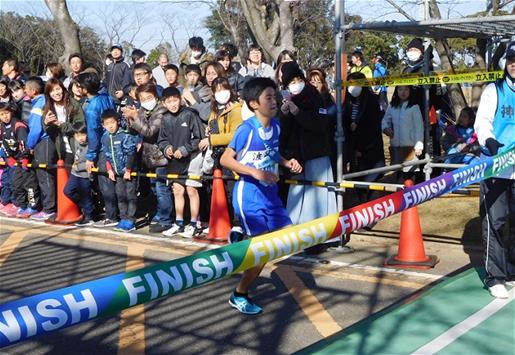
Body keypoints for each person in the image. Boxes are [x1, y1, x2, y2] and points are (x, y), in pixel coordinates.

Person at [220, 77, 302, 314]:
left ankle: (240, 240)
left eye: (274, 96)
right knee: (263, 250)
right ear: (254, 103)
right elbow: (226, 159)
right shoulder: (246, 129)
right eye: (268, 97)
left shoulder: (276, 125)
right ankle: (239, 294)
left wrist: (287, 162)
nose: (274, 100)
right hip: (249, 195)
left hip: (271, 194)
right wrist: (255, 172)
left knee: (286, 238)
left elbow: (272, 153)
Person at [474, 41, 515, 299]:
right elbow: (482, 122)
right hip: (497, 166)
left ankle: (511, 267)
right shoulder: (495, 90)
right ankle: (495, 276)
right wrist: (488, 140)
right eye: (512, 60)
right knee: (495, 221)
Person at [278, 62, 337, 239]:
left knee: (318, 194)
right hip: (297, 156)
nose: (296, 83)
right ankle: (297, 231)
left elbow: (319, 124)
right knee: (297, 194)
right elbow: (284, 132)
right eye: (291, 81)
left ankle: (320, 233)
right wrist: (284, 114)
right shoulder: (289, 99)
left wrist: (298, 114)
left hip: (316, 152)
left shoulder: (314, 96)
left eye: (298, 79)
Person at [124, 83, 172, 233]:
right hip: (150, 158)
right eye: (143, 99)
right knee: (155, 189)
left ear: (156, 96)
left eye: (149, 97)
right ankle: (160, 214)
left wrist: (136, 117)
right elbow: (133, 130)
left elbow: (150, 131)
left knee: (162, 188)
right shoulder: (143, 111)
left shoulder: (161, 111)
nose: (146, 101)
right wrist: (130, 117)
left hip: (162, 157)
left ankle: (166, 220)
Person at [158, 87, 203, 237]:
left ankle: (194, 223)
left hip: (191, 159)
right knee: (177, 190)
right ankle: (178, 223)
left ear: (180, 99)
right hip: (174, 162)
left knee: (191, 190)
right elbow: (162, 140)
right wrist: (167, 148)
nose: (173, 104)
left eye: (175, 100)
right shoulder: (165, 118)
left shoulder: (189, 114)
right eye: (169, 102)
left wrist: (184, 149)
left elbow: (198, 138)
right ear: (164, 103)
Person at [77, 72, 118, 227]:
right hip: (114, 141)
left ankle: (112, 216)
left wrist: (90, 155)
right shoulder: (107, 98)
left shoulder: (92, 107)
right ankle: (115, 213)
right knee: (114, 179)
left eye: (80, 86)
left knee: (105, 182)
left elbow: (93, 133)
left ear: (85, 88)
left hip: (102, 147)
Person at [203, 77, 243, 231]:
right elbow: (213, 127)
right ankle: (223, 222)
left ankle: (238, 224)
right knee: (221, 191)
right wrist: (209, 132)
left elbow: (236, 135)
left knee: (233, 191)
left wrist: (212, 139)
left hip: (232, 156)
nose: (221, 93)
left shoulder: (236, 109)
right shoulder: (214, 110)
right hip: (218, 156)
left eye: (224, 89)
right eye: (217, 90)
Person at [343, 72, 385, 204]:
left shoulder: (371, 101)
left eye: (356, 83)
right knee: (357, 181)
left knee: (370, 181)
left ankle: (371, 207)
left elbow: (373, 125)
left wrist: (358, 128)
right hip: (354, 148)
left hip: (370, 148)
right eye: (350, 84)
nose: (353, 87)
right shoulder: (347, 101)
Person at [101, 109, 139, 232]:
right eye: (107, 124)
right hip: (116, 173)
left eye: (112, 122)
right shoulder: (105, 138)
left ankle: (130, 220)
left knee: (130, 195)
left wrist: (128, 170)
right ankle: (123, 218)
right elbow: (107, 155)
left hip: (129, 173)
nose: (110, 126)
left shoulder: (124, 135)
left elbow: (131, 153)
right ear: (103, 125)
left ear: (117, 122)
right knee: (120, 195)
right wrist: (109, 170)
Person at [25, 76, 57, 221]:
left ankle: (49, 209)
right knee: (45, 175)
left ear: (32, 90)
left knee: (45, 175)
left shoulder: (39, 105)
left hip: (43, 143)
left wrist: (29, 145)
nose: (25, 90)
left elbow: (36, 129)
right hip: (46, 142)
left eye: (26, 88)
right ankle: (48, 206)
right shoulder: (42, 101)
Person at [0, 102, 39, 218]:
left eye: (6, 113)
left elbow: (23, 143)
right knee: (16, 184)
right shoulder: (2, 127)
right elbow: (2, 144)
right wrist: (8, 158)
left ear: (11, 112)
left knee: (29, 184)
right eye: (1, 114)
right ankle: (22, 205)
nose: (5, 116)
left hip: (25, 160)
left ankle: (33, 206)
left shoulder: (18, 125)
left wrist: (25, 158)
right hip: (15, 161)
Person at [382, 85, 424, 183]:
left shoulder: (414, 107)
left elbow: (419, 127)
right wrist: (386, 128)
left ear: (410, 91)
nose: (403, 92)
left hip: (410, 147)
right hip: (396, 146)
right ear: (396, 91)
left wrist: (419, 145)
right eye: (400, 89)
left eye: (406, 89)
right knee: (398, 172)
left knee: (410, 173)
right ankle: (400, 194)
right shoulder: (392, 106)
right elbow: (385, 120)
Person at [42, 78, 85, 165]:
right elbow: (49, 131)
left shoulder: (73, 105)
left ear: (63, 88)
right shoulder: (48, 108)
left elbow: (80, 125)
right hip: (61, 149)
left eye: (58, 89)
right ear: (48, 94)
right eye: (52, 91)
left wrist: (61, 125)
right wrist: (46, 124)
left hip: (76, 147)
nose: (56, 93)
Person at [63, 122, 95, 226]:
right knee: (67, 191)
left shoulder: (90, 147)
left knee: (86, 196)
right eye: (77, 135)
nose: (80, 138)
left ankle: (89, 216)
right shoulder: (76, 142)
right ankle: (88, 207)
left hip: (85, 175)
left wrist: (78, 167)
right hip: (74, 173)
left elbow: (89, 165)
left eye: (83, 135)